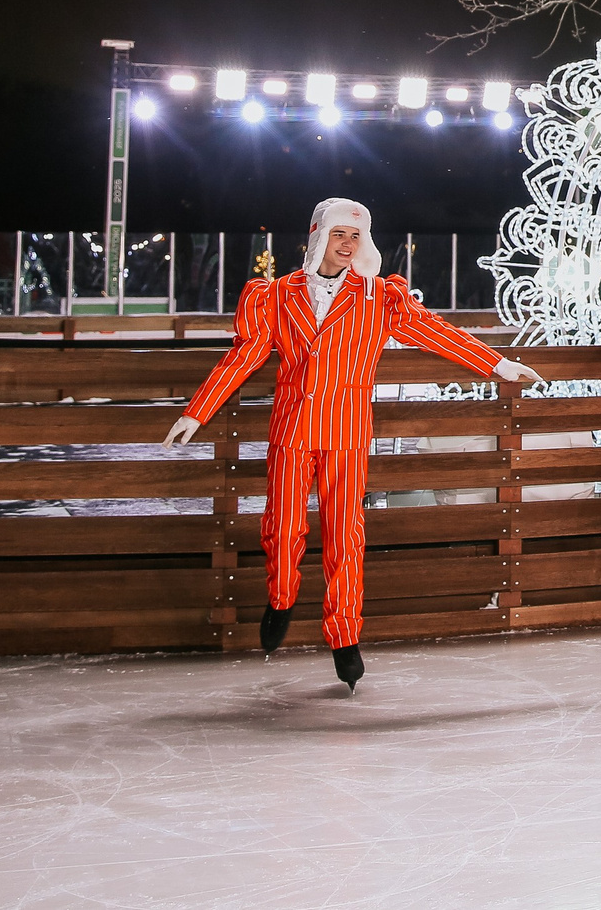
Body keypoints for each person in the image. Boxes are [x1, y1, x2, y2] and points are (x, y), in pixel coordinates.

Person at [162, 198, 544, 692]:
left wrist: (499, 365)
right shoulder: (273, 296)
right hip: (293, 432)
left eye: (356, 236)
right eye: (339, 234)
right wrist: (198, 410)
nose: (348, 244)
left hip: (345, 434)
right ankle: (280, 598)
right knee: (281, 529)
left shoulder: (378, 297)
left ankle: (344, 637)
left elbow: (436, 332)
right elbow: (244, 356)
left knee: (346, 538)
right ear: (318, 235)